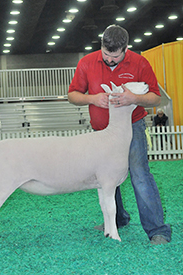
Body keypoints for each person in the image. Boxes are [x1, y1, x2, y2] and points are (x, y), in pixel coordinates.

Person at [68, 25, 171, 245]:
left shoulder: (140, 62)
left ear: (126, 49)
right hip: (101, 131)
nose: (110, 60)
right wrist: (93, 99)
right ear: (101, 46)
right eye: (106, 55)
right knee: (106, 175)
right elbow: (73, 95)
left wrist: (134, 98)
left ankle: (157, 230)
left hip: (131, 128)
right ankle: (117, 220)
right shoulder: (87, 63)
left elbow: (156, 98)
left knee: (140, 174)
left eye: (115, 56)